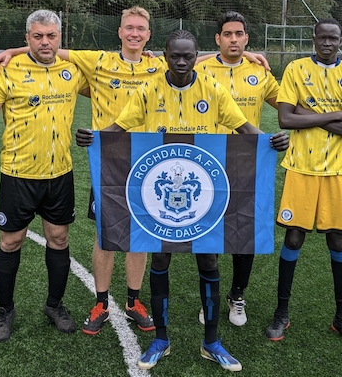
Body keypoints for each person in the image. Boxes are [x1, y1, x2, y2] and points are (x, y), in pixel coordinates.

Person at [0, 6, 271, 336]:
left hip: (147, 165)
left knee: (141, 236)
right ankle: (100, 301)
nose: (135, 33)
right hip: (110, 162)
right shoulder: (98, 61)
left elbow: (193, 56)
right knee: (106, 236)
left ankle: (134, 301)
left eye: (141, 28)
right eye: (129, 28)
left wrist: (245, 53)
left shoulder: (158, 64)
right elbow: (48, 44)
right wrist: (13, 50)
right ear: (120, 32)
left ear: (149, 36)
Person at [76, 29, 288, 372]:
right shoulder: (150, 89)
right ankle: (160, 339)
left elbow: (242, 127)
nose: (181, 62)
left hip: (203, 194)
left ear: (195, 55)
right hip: (160, 200)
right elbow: (122, 126)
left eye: (188, 56)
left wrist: (269, 142)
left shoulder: (212, 89)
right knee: (160, 262)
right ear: (165, 55)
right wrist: (95, 138)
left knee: (208, 264)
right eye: (175, 55)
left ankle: (212, 342)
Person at [0, 9, 88, 342]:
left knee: (59, 239)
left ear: (61, 38)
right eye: (37, 36)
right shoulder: (6, 71)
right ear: (27, 38)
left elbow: (115, 77)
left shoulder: (74, 70)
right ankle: (5, 310)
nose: (45, 42)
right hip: (17, 175)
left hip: (60, 174)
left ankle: (55, 304)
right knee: (10, 241)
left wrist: (141, 56)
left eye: (51, 36)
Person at [265, 18, 342, 346]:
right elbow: (285, 119)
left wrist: (307, 116)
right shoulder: (296, 70)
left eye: (333, 38)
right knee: (294, 238)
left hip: (338, 169)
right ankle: (282, 314)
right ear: (314, 39)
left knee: (337, 240)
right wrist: (335, 114)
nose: (327, 43)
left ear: (341, 41)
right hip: (301, 167)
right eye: (322, 37)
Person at [196, 11, 280, 327]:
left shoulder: (259, 73)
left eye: (239, 34)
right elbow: (170, 63)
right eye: (227, 34)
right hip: (209, 163)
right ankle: (211, 298)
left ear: (246, 37)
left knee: (244, 232)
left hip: (248, 162)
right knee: (210, 233)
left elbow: (288, 103)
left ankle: (237, 295)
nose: (234, 39)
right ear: (217, 38)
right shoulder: (201, 68)